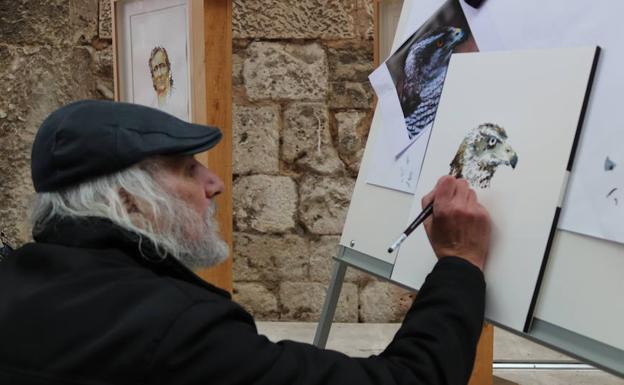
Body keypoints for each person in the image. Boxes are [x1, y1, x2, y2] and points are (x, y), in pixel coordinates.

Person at [0, 100, 490, 385]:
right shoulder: (176, 331)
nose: (213, 183)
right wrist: (460, 263)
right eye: (188, 169)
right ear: (129, 201)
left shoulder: (18, 279)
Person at [148, 46, 188, 121]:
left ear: (169, 69)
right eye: (155, 69)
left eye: (162, 66)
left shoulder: (181, 100)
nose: (159, 74)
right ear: (153, 77)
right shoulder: (151, 109)